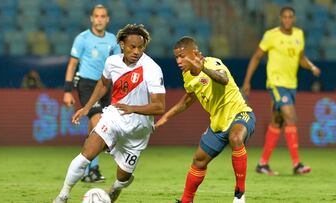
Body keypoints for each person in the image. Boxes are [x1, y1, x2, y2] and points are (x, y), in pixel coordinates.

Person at [53, 24, 166, 203]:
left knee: (123, 177)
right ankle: (62, 196)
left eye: (141, 47)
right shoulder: (112, 62)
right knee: (85, 155)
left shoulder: (152, 69)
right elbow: (103, 83)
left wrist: (132, 108)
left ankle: (117, 187)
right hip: (114, 117)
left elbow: (159, 107)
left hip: (138, 130)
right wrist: (87, 107)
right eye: (132, 46)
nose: (137, 51)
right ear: (122, 44)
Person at [155, 36, 255, 203]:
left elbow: (223, 79)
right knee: (199, 160)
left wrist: (203, 69)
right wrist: (166, 116)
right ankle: (186, 201)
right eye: (176, 57)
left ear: (194, 53)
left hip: (240, 113)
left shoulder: (212, 63)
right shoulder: (187, 75)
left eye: (182, 56)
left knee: (236, 138)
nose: (178, 61)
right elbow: (188, 99)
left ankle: (239, 193)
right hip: (218, 124)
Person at [242, 6, 321, 176]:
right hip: (276, 84)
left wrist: (312, 67)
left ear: (294, 19)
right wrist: (247, 81)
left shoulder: (299, 34)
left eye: (290, 17)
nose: (287, 20)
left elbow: (301, 59)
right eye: (284, 17)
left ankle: (262, 164)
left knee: (277, 122)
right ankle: (297, 164)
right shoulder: (271, 35)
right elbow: (257, 56)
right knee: (291, 117)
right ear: (280, 18)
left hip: (292, 85)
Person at [62, 4, 121, 183]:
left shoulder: (113, 40)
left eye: (103, 16)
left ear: (107, 19)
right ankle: (103, 156)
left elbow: (119, 66)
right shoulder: (82, 39)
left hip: (106, 85)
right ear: (91, 18)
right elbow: (72, 64)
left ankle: (91, 169)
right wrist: (67, 91)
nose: (100, 19)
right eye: (97, 16)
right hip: (86, 84)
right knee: (98, 122)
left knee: (94, 129)